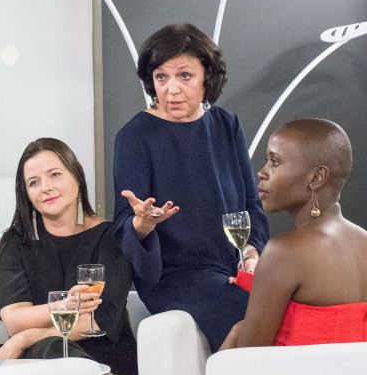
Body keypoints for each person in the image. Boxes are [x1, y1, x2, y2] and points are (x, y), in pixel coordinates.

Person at [134, 118, 367, 375]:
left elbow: (244, 367)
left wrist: (228, 353)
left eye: (275, 162)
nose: (262, 172)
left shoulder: (285, 251)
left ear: (316, 177)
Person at [112, 23, 269, 351]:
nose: (171, 89)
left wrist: (251, 255)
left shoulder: (227, 125)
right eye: (161, 77)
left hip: (231, 268)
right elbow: (124, 226)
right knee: (245, 308)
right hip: (172, 278)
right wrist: (142, 224)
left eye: (185, 75)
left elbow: (251, 207)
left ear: (207, 77)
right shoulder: (134, 136)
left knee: (286, 299)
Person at [0, 138, 137, 375]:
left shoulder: (111, 237)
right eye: (34, 182)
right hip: (37, 359)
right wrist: (64, 306)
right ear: (26, 194)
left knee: (49, 348)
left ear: (76, 175)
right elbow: (14, 319)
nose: (45, 187)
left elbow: (98, 321)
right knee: (46, 350)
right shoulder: (15, 243)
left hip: (105, 358)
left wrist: (27, 336)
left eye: (55, 174)